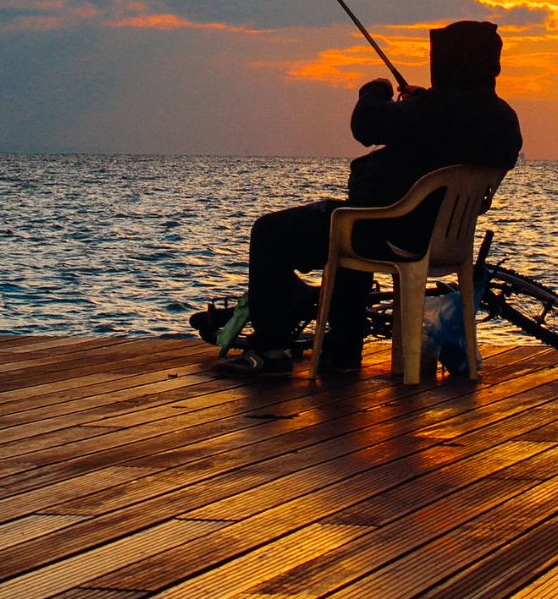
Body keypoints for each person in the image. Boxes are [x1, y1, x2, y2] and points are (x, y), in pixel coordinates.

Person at [213, 20, 522, 377]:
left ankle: (271, 350)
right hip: (438, 240)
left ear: (451, 61)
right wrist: (421, 101)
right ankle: (341, 353)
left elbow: (366, 125)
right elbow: (448, 126)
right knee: (352, 218)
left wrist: (375, 91)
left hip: (390, 232)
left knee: (270, 231)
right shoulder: (502, 118)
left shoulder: (432, 111)